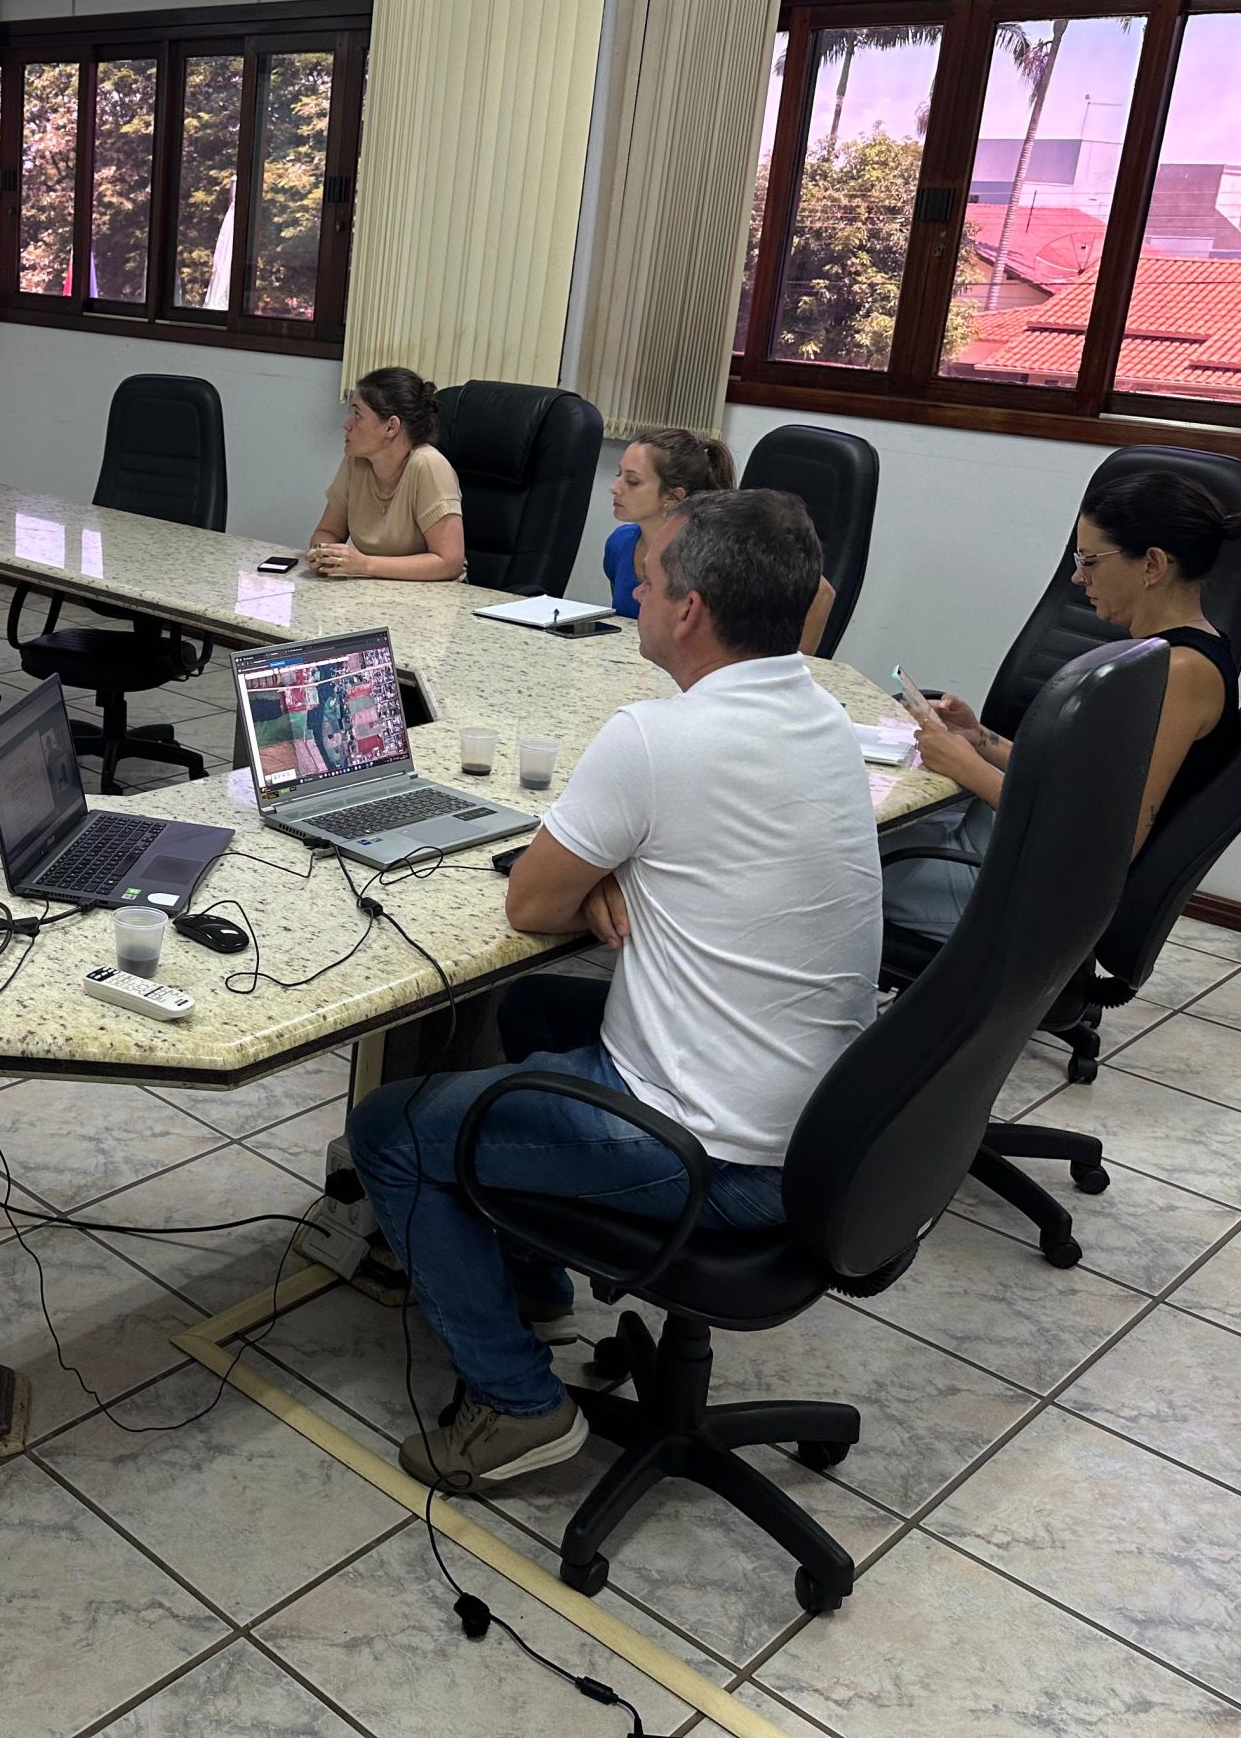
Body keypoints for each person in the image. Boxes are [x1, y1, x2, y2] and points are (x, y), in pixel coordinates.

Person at [348, 491, 880, 1495]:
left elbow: (527, 902)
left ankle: (517, 1409)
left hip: (711, 1158)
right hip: (817, 1130)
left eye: (647, 577)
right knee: (533, 1013)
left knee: (392, 1131)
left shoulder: (656, 737)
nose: (633, 586)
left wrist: (596, 873)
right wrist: (623, 870)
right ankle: (537, 1282)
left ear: (689, 613)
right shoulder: (822, 714)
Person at [885, 471, 1241, 943]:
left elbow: (1106, 846)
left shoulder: (1180, 674)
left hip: (1026, 891)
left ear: (1152, 565)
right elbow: (1080, 786)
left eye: (1090, 560)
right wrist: (979, 739)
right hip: (1006, 849)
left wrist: (968, 768)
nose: (1077, 576)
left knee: (836, 864)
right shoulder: (1165, 654)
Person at [600, 428, 835, 651]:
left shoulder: (716, 551)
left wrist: (790, 671)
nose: (615, 487)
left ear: (672, 496)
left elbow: (821, 593)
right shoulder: (620, 544)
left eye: (632, 482)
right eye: (618, 475)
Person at [306, 368, 466, 582]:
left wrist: (365, 564)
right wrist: (324, 554)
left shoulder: (428, 465)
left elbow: (449, 562)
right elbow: (328, 531)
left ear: (391, 427)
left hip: (434, 599)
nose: (347, 424)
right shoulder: (356, 461)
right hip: (373, 592)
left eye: (358, 415)